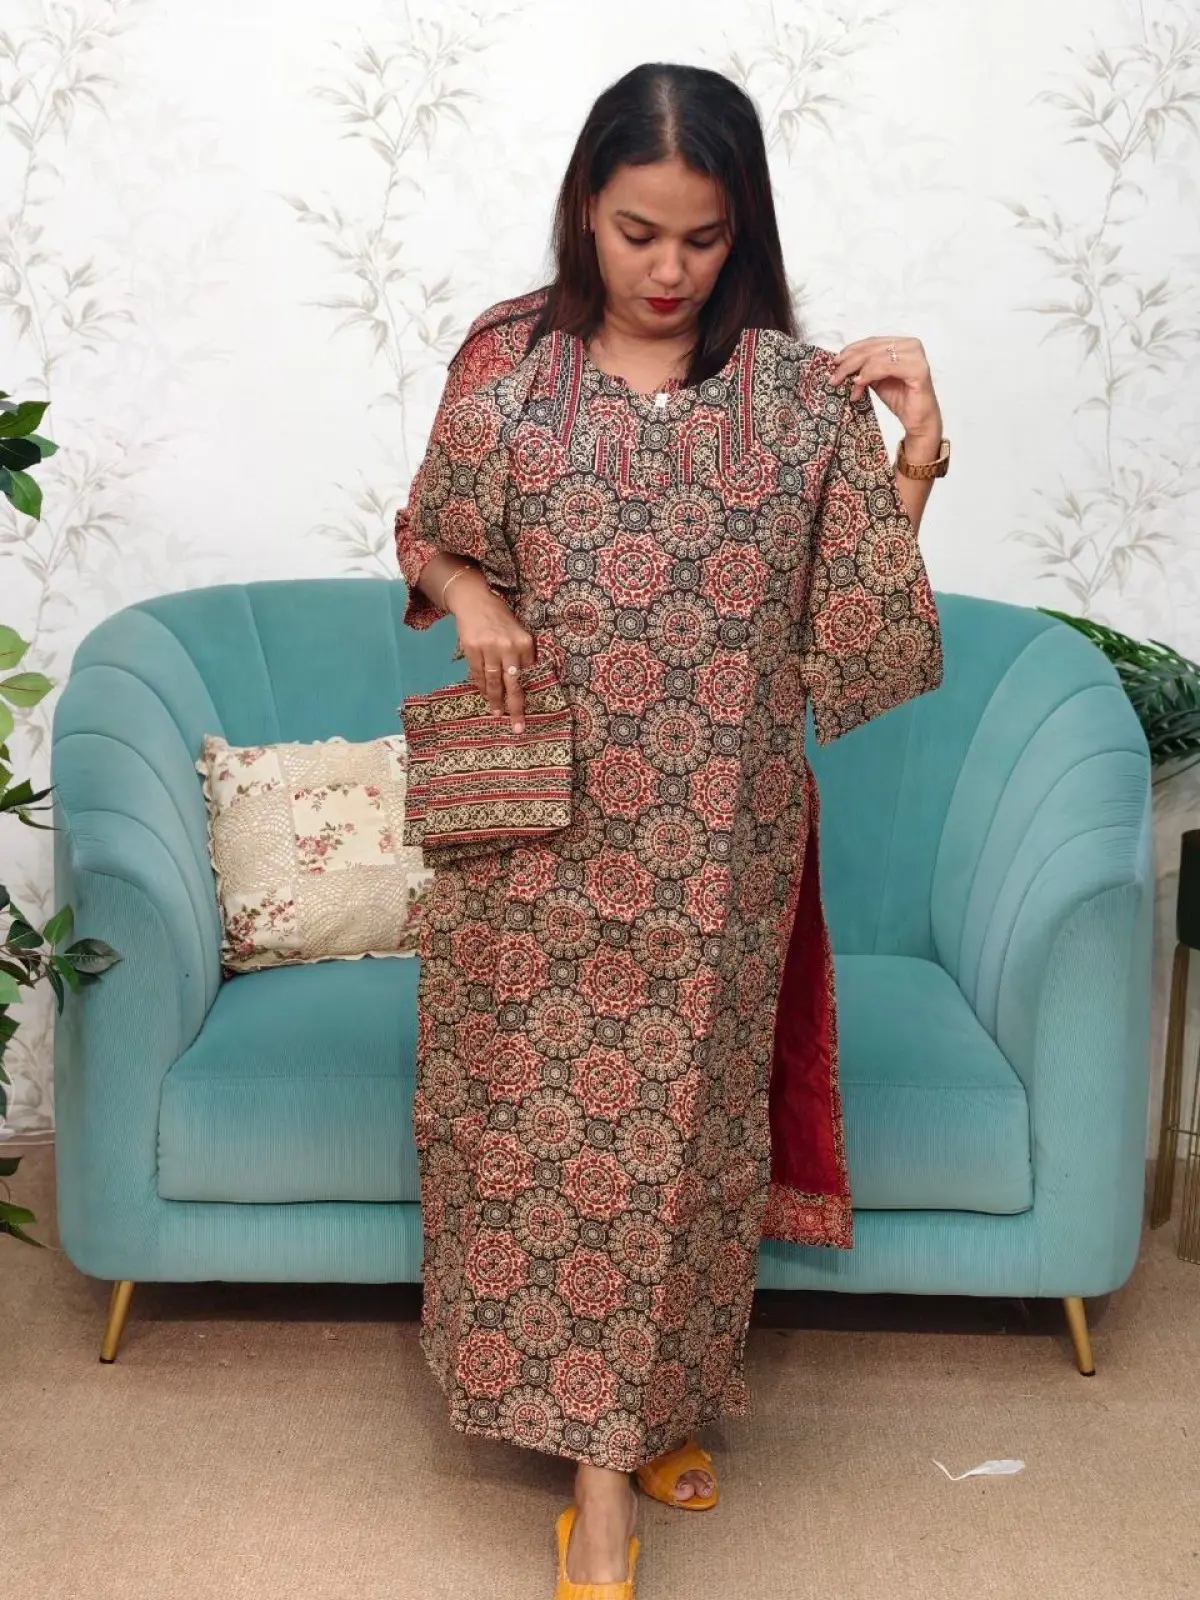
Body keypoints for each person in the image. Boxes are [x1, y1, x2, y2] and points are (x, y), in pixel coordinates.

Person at [394, 60, 947, 1600]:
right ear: (585, 208)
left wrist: (913, 458)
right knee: (537, 1142)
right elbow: (427, 528)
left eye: (703, 239)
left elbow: (853, 634)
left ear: (741, 229)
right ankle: (603, 1464)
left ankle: (626, 1448)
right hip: (535, 847)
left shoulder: (796, 397)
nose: (667, 269)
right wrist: (476, 594)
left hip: (717, 849)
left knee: (679, 1154)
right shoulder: (508, 364)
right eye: (638, 232)